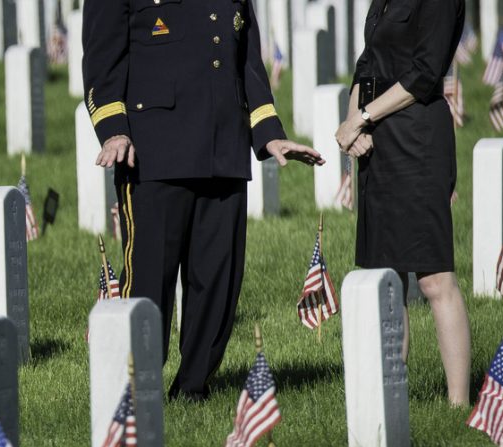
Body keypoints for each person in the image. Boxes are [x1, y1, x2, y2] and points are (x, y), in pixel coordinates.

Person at [84, 0, 322, 400]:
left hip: (222, 148)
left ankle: (194, 388)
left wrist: (268, 133)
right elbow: (102, 58)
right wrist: (113, 130)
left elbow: (246, 59)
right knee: (147, 283)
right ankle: (133, 386)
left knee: (217, 282)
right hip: (153, 150)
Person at [335, 0, 469, 404]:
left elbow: (425, 74)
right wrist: (351, 122)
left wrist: (363, 117)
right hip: (378, 142)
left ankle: (458, 401)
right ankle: (390, 393)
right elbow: (367, 63)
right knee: (386, 278)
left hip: (419, 139)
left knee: (433, 276)